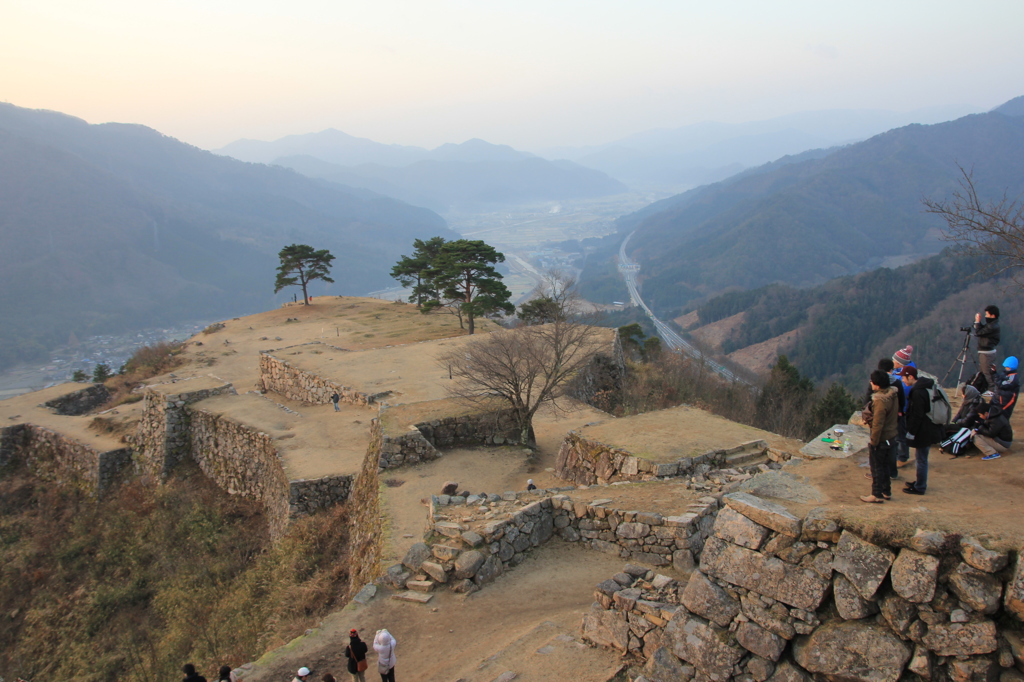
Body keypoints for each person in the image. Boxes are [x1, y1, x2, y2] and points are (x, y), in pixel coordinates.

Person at [902, 367, 946, 495]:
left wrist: (911, 432)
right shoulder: (925, 386)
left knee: (921, 459)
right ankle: (918, 482)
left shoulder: (918, 392)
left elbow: (918, 415)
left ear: (910, 377)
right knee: (921, 458)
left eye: (904, 377)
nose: (903, 380)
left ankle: (920, 487)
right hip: (929, 427)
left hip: (924, 430)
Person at [862, 369, 898, 503]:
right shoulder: (893, 395)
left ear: (876, 384)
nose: (870, 383)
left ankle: (876, 494)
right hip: (892, 435)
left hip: (882, 438)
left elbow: (878, 424)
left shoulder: (880, 401)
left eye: (872, 381)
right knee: (886, 466)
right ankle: (886, 491)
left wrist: (874, 442)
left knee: (876, 466)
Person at [891, 347, 916, 470]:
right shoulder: (905, 370)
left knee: (900, 435)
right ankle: (900, 455)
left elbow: (903, 390)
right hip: (903, 407)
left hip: (904, 409)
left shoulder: (906, 376)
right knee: (900, 434)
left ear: (900, 362)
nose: (892, 361)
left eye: (894, 360)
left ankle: (902, 457)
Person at [974, 305, 1001, 390]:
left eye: (987, 314)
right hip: (985, 351)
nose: (986, 317)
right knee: (983, 372)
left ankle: (992, 390)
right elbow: (982, 330)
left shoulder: (993, 326)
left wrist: (977, 322)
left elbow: (979, 332)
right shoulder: (991, 325)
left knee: (987, 372)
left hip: (987, 353)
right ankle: (985, 389)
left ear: (993, 315)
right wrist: (978, 323)